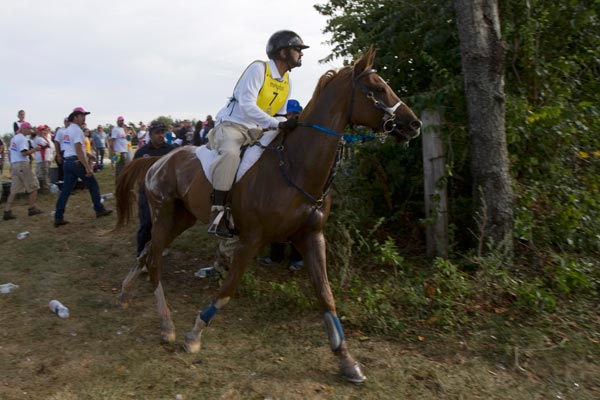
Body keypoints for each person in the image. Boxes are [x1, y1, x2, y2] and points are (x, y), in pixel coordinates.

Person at [207, 30, 308, 237]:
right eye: (297, 49)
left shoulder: (287, 81)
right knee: (230, 155)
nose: (301, 54)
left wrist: (286, 125)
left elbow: (279, 115)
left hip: (258, 131)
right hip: (232, 126)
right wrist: (277, 124)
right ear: (282, 52)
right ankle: (217, 215)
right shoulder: (258, 69)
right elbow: (246, 106)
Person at [258, 99, 304, 270]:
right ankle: (275, 257)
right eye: (290, 113)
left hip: (297, 181)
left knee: (296, 220)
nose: (292, 116)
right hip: (280, 178)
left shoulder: (303, 130)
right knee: (277, 219)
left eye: (295, 113)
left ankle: (296, 259)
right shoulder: (279, 128)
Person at [53, 107, 112, 227]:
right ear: (75, 117)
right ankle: (99, 209)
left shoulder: (67, 130)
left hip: (68, 162)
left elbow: (71, 148)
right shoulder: (77, 130)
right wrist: (87, 167)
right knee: (93, 185)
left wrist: (89, 155)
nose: (84, 118)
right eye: (82, 115)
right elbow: (78, 149)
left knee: (66, 190)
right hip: (76, 162)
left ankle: (58, 217)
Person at [132, 120, 175, 256]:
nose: (161, 135)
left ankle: (161, 246)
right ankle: (141, 254)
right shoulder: (141, 153)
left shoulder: (171, 151)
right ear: (150, 135)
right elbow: (135, 173)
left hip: (166, 193)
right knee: (146, 223)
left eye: (163, 132)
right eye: (157, 133)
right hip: (147, 193)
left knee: (165, 222)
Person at [3, 122, 43, 220]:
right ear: (24, 129)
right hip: (22, 164)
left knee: (13, 190)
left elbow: (12, 153)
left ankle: (7, 211)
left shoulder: (14, 138)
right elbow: (24, 153)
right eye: (29, 129)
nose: (30, 131)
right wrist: (35, 149)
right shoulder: (22, 139)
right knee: (34, 186)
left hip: (15, 165)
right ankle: (32, 208)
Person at [32, 125, 55, 191]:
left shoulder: (45, 137)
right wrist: (45, 137)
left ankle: (44, 187)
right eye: (42, 130)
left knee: (45, 173)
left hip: (46, 158)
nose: (43, 131)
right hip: (42, 159)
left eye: (44, 130)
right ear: (38, 131)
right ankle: (44, 188)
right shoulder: (38, 138)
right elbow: (47, 145)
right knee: (42, 174)